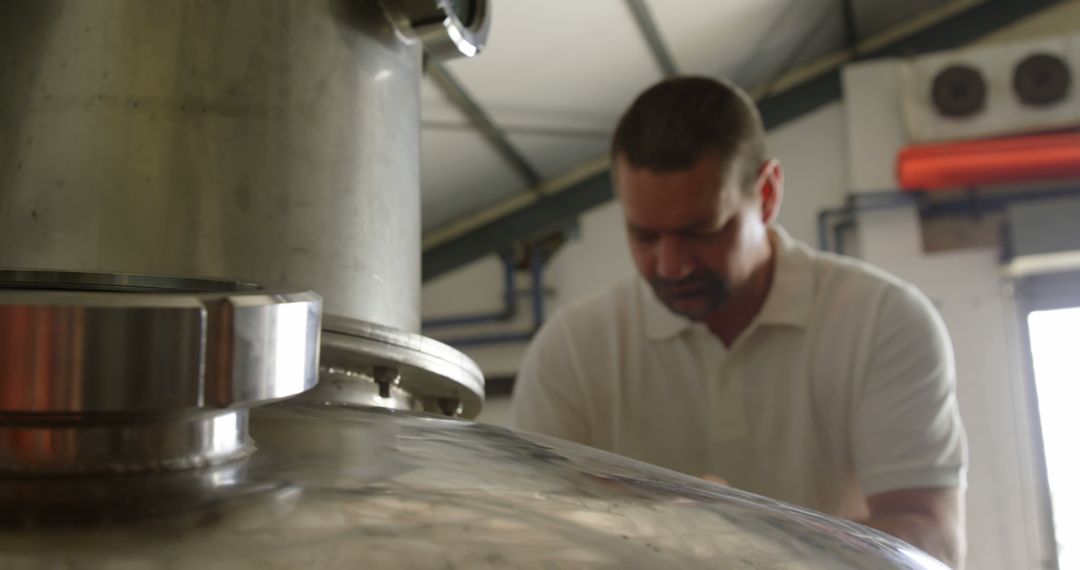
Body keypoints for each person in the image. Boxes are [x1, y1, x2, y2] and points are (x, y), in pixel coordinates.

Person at [512, 76, 967, 568]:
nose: (670, 265)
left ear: (767, 194)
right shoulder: (572, 351)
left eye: (700, 231)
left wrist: (740, 535)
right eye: (644, 236)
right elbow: (535, 544)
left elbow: (932, 540)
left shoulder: (883, 321)